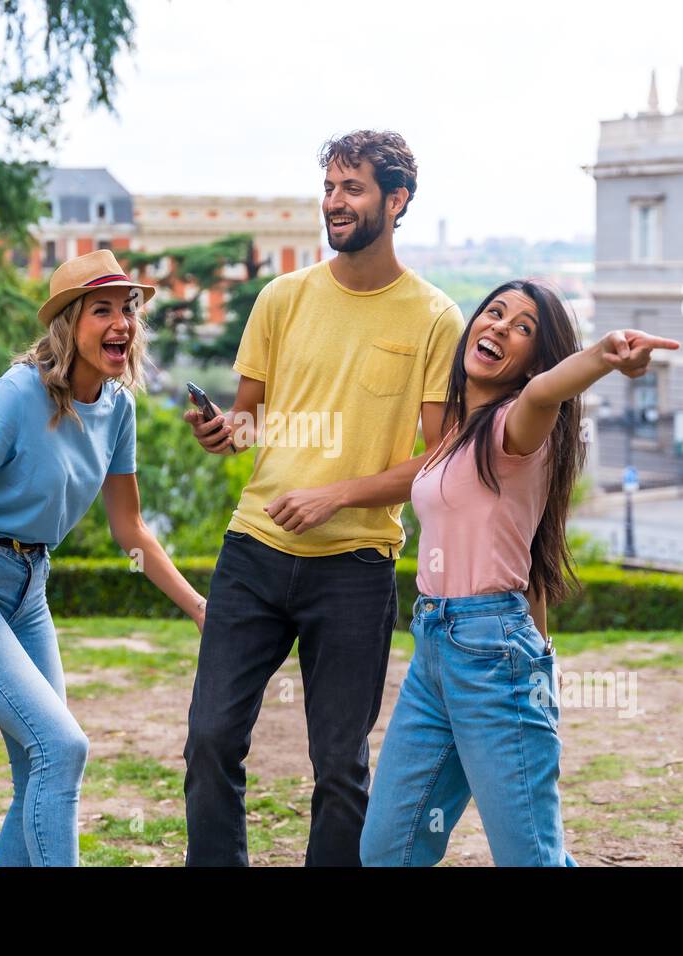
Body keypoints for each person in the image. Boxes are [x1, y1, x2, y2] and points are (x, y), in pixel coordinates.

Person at [181, 130, 465, 866]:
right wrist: (222, 430)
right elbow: (250, 420)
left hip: (355, 566)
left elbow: (439, 457)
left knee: (339, 767)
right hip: (254, 550)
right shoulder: (283, 298)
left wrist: (339, 495)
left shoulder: (435, 317)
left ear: (395, 201)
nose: (335, 204)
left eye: (353, 189)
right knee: (209, 739)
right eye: (330, 189)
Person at [0, 249, 207, 867]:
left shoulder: (119, 409)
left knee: (40, 765)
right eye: (102, 310)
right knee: (62, 746)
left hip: (30, 588)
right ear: (68, 324)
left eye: (127, 311)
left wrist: (198, 607)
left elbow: (130, 527)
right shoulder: (19, 391)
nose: (121, 324)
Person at [360, 280, 678, 866]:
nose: (501, 327)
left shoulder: (519, 424)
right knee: (388, 850)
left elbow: (545, 394)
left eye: (524, 328)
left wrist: (606, 355)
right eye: (495, 313)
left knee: (529, 857)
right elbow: (525, 562)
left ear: (536, 357)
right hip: (435, 649)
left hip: (488, 653)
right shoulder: (457, 438)